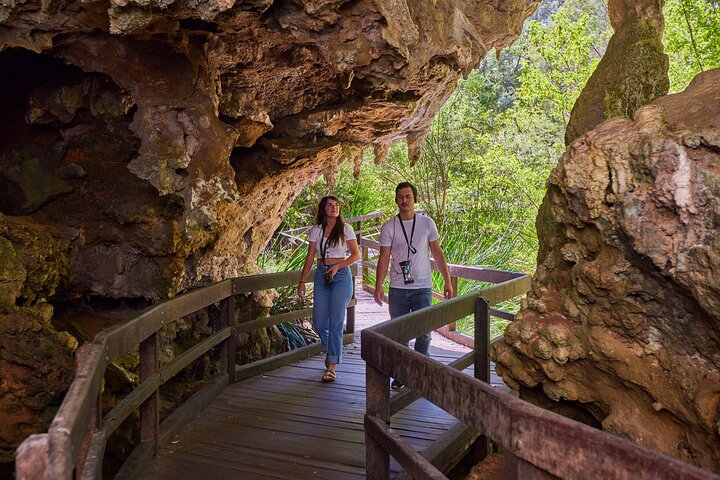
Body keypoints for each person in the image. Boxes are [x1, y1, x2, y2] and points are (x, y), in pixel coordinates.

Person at [374, 182, 453, 389]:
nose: (404, 201)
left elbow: (437, 252)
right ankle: (402, 374)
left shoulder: (427, 223)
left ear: (414, 199)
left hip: (422, 287)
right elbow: (384, 258)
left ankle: (420, 369)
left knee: (424, 332)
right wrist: (378, 285)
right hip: (398, 288)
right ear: (396, 200)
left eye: (408, 196)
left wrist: (447, 279)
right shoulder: (389, 226)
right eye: (400, 197)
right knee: (400, 334)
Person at [298, 196, 360, 383]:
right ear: (323, 209)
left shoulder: (346, 229)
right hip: (322, 275)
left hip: (340, 276)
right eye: (330, 205)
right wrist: (302, 282)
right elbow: (310, 257)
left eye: (337, 205)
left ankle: (332, 365)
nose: (334, 208)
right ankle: (331, 350)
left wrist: (338, 267)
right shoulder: (316, 231)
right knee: (319, 322)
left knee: (335, 321)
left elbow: (355, 255)